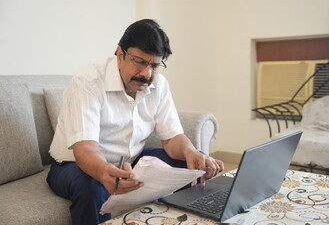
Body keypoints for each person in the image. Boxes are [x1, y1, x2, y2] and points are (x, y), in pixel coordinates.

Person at [46, 19, 224, 225]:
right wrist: (105, 171)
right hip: (73, 165)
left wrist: (191, 152)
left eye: (154, 65)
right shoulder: (88, 81)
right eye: (139, 61)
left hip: (130, 160)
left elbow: (172, 137)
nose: (146, 74)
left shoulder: (160, 85)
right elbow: (85, 149)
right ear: (120, 54)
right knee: (94, 186)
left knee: (193, 163)